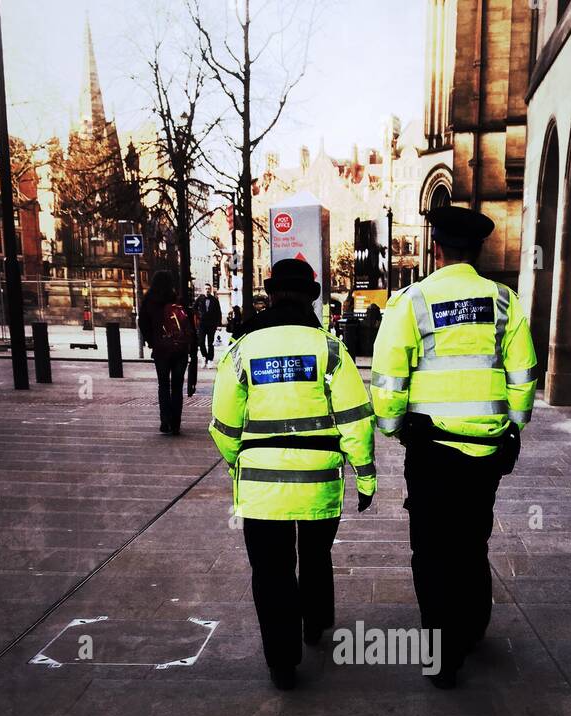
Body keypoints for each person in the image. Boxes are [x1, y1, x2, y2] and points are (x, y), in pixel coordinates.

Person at [370, 204, 538, 688]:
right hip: (485, 450)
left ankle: (442, 656)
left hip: (432, 450)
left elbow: (389, 373)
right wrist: (514, 428)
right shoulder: (504, 302)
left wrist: (393, 426)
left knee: (431, 547)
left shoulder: (413, 300)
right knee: (471, 539)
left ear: (437, 247)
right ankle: (472, 627)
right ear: (478, 250)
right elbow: (523, 373)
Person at [209, 257, 376, 690]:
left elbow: (224, 424)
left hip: (262, 486)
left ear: (270, 295)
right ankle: (316, 624)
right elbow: (355, 419)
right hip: (320, 481)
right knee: (317, 555)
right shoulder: (330, 349)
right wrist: (366, 475)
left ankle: (282, 663)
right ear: (311, 298)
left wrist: (236, 464)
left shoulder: (242, 350)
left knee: (271, 569)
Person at [139, 271, 198, 435]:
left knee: (163, 385)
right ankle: (176, 423)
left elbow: (142, 323)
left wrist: (152, 341)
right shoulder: (179, 301)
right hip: (180, 350)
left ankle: (165, 420)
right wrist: (192, 348)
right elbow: (190, 326)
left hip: (161, 350)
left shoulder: (149, 301)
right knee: (177, 387)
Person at [193, 283, 223, 365]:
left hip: (211, 324)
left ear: (211, 290)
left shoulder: (214, 300)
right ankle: (204, 356)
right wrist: (198, 316)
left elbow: (218, 312)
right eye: (206, 289)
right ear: (204, 290)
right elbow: (194, 308)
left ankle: (210, 359)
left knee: (210, 343)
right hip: (202, 324)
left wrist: (219, 325)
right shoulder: (200, 299)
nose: (207, 290)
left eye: (209, 289)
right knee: (201, 342)